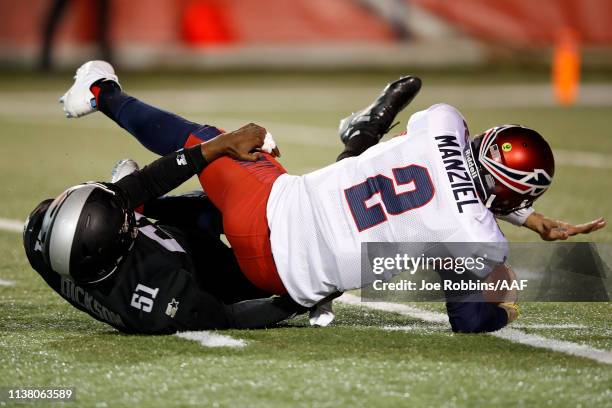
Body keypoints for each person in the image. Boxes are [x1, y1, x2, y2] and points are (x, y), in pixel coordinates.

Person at [56, 61, 606, 333]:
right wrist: (505, 302)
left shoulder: (444, 122)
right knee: (402, 250)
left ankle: (103, 90)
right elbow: (469, 319)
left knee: (208, 143)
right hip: (283, 283)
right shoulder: (480, 235)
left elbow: (445, 159)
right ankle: (360, 136)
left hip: (269, 210)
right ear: (510, 194)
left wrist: (520, 215)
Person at [23, 120, 307, 334]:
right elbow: (231, 317)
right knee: (264, 275)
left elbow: (145, 183)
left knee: (200, 205)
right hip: (194, 275)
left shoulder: (39, 233)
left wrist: (218, 145)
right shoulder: (156, 303)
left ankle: (143, 206)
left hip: (161, 244)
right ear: (118, 251)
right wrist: (301, 298)